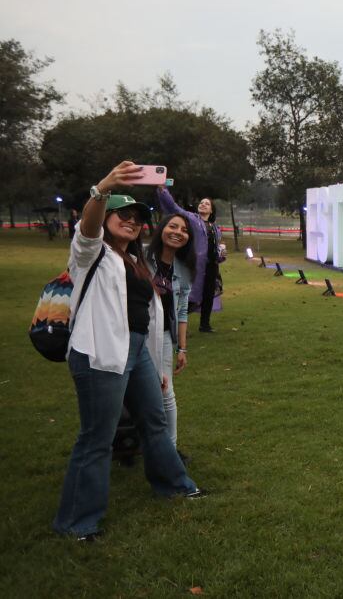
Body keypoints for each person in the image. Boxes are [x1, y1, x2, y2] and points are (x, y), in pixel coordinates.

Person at [53, 161, 205, 543]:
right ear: (106, 218)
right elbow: (87, 228)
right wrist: (102, 188)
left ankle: (174, 485)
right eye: (123, 215)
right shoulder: (92, 254)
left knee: (154, 421)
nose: (132, 222)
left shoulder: (135, 262)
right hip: (100, 353)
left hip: (137, 354)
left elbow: (148, 319)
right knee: (97, 437)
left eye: (138, 218)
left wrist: (155, 364)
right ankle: (77, 523)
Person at [145, 212, 195, 459]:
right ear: (161, 229)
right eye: (172, 226)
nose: (177, 232)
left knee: (166, 392)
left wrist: (182, 349)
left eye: (184, 230)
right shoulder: (140, 257)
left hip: (163, 336)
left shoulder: (183, 270)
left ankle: (170, 452)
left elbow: (182, 310)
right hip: (132, 334)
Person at [155, 188, 226, 332]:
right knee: (188, 295)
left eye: (207, 204)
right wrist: (162, 190)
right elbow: (173, 207)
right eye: (201, 203)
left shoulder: (215, 228)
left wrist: (221, 253)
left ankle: (204, 325)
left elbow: (215, 247)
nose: (203, 204)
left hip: (212, 266)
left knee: (208, 295)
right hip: (195, 266)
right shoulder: (191, 219)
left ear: (211, 210)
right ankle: (173, 322)